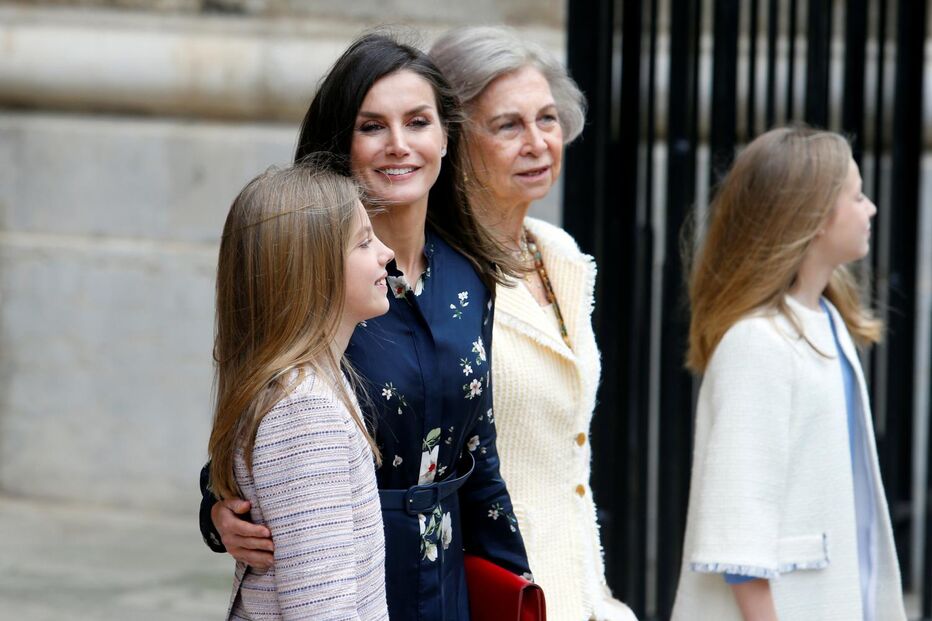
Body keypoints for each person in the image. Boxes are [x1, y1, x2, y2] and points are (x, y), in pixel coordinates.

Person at [201, 33, 531, 620]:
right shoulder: (310, 281)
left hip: (448, 569)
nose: (399, 146)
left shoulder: (468, 274)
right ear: (341, 144)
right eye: (372, 126)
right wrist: (218, 506)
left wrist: (515, 580)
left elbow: (479, 454)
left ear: (447, 135)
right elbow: (260, 406)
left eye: (418, 121)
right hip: (339, 564)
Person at [430, 25, 637, 621]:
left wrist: (598, 599)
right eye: (508, 125)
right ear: (454, 140)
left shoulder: (558, 253)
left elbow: (566, 463)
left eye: (547, 119)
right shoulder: (432, 271)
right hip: (491, 596)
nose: (538, 142)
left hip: (577, 595)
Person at [671, 126, 907, 620]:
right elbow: (740, 525)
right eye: (857, 196)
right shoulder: (758, 343)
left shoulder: (824, 322)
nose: (871, 209)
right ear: (816, 217)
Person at [208, 162, 393, 620]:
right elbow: (320, 610)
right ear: (314, 270)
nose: (386, 253)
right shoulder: (306, 411)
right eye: (365, 241)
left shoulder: (310, 386)